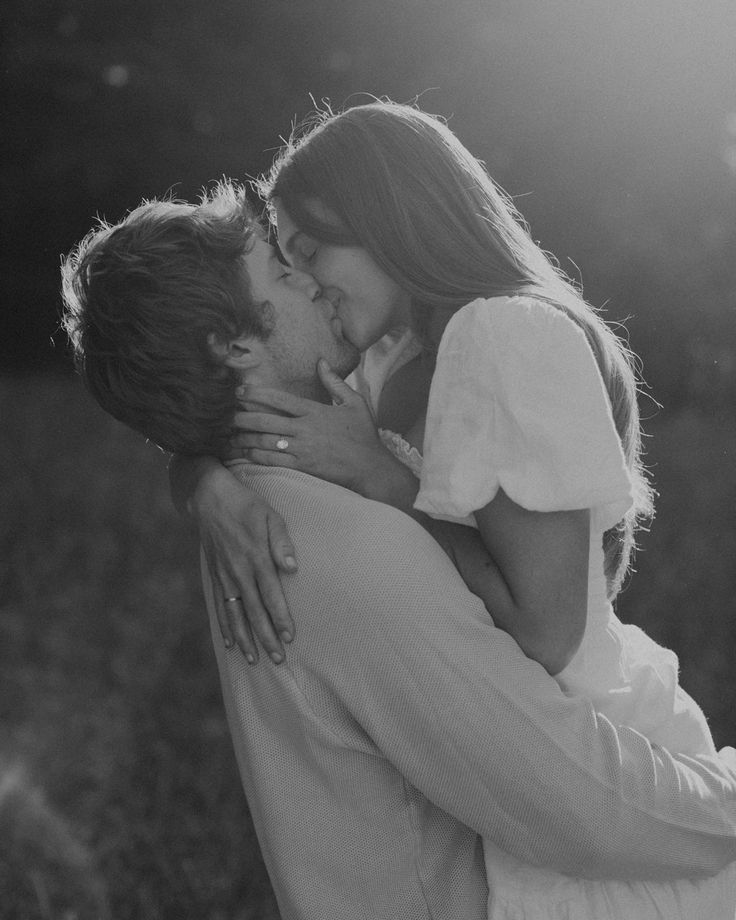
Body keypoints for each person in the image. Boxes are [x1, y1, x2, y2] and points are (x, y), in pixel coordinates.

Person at [61, 180, 736, 920]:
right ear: (232, 345)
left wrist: (197, 475)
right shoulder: (333, 551)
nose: (312, 282)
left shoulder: (262, 502)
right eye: (284, 274)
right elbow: (574, 804)